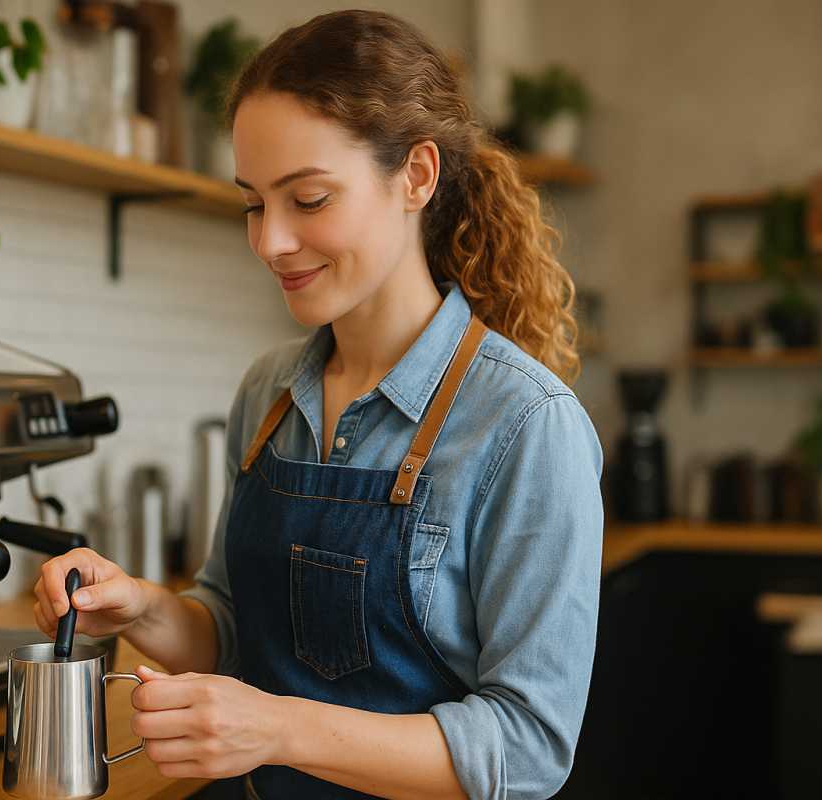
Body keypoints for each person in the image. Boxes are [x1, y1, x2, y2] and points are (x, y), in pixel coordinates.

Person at [32, 9, 603, 800]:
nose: (270, 242)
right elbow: (233, 631)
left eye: (307, 199)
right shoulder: (269, 393)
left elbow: (529, 748)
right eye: (253, 203)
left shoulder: (527, 426)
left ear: (418, 176)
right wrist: (140, 610)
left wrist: (279, 728)